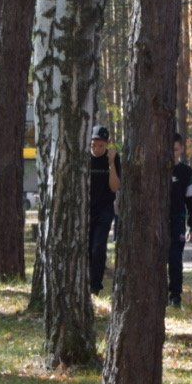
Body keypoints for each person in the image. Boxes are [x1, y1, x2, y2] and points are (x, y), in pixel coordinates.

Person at [88, 126, 121, 294]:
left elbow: (115, 187)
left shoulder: (113, 159)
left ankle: (95, 286)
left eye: (101, 145)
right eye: (94, 144)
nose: (97, 148)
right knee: (87, 248)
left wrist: (111, 164)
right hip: (86, 210)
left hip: (105, 210)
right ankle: (86, 282)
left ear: (107, 145)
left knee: (98, 247)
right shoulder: (85, 158)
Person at [168, 133, 192, 307]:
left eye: (175, 149)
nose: (172, 153)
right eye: (170, 149)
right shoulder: (156, 169)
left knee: (175, 258)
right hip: (157, 221)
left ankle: (175, 296)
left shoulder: (186, 172)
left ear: (181, 150)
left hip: (178, 221)